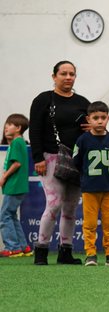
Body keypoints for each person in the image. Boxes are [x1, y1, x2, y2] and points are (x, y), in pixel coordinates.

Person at [29, 60, 90, 265]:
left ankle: (66, 251)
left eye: (71, 74)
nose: (68, 77)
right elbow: (34, 129)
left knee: (71, 209)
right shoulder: (43, 100)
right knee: (53, 205)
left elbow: (89, 129)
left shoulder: (82, 102)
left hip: (76, 160)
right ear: (54, 76)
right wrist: (37, 157)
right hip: (50, 158)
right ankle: (42, 250)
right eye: (63, 74)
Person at [72, 101, 109, 266]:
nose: (100, 121)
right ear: (89, 119)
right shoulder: (82, 140)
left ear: (108, 118)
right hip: (90, 189)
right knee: (90, 223)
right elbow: (76, 162)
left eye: (103, 117)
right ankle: (91, 254)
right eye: (95, 118)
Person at [0, 114, 32, 258]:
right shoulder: (19, 142)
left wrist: (4, 176)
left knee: (4, 216)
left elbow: (17, 163)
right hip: (18, 186)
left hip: (14, 185)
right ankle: (23, 246)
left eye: (10, 124)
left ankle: (12, 247)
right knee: (11, 215)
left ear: (18, 128)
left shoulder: (17, 143)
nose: (6, 127)